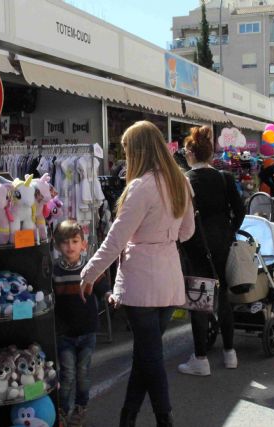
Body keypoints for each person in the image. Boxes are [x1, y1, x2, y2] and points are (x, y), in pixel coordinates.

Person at [79, 120, 195, 427]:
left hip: (140, 282)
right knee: (146, 355)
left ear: (138, 151)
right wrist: (163, 238)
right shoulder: (180, 182)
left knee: (149, 357)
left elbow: (116, 239)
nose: (126, 156)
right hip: (169, 277)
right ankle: (127, 417)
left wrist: (89, 273)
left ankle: (163, 417)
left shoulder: (141, 187)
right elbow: (188, 230)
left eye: (128, 150)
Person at [176, 126, 245, 376]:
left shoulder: (184, 181)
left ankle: (201, 358)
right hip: (223, 244)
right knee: (223, 297)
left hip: (196, 245)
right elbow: (240, 211)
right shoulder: (225, 178)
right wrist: (229, 233)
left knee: (200, 300)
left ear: (191, 154)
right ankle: (230, 353)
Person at [53, 220, 110, 427]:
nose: (70, 246)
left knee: (83, 373)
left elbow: (103, 286)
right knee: (67, 374)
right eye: (65, 242)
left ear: (83, 244)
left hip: (87, 331)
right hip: (64, 333)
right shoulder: (55, 271)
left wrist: (110, 295)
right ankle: (62, 410)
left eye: (75, 241)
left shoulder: (90, 267)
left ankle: (80, 407)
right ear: (58, 246)